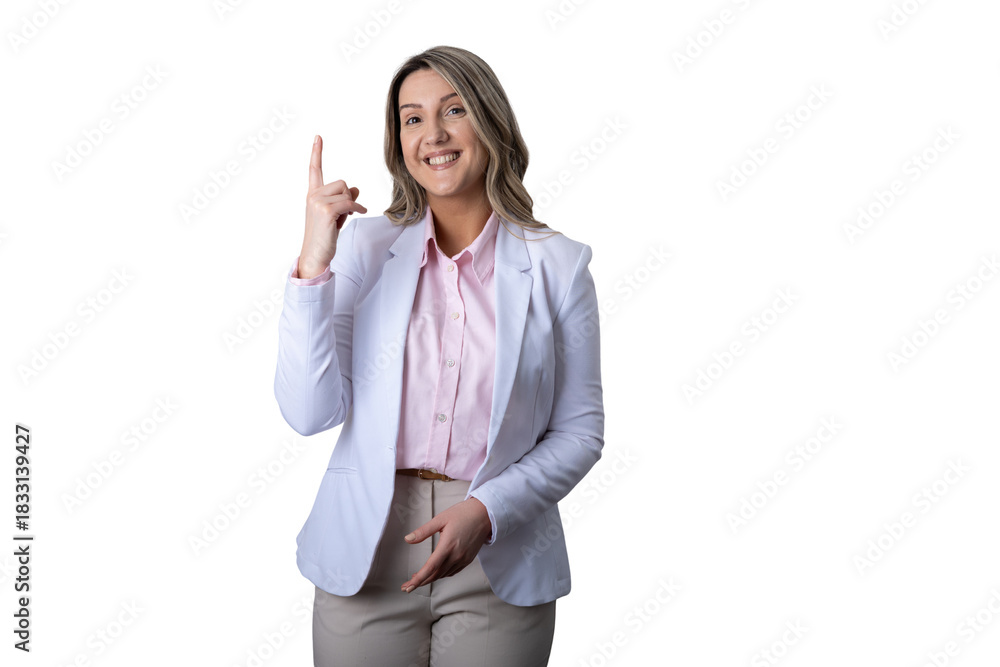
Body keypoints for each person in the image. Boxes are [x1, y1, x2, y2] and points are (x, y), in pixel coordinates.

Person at [273, 45, 604, 666]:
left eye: (454, 110)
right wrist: (314, 265)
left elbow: (580, 432)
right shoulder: (362, 249)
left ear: (490, 121)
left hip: (501, 551)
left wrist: (487, 510)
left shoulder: (559, 266)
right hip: (367, 549)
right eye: (413, 118)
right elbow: (308, 413)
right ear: (399, 142)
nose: (434, 134)